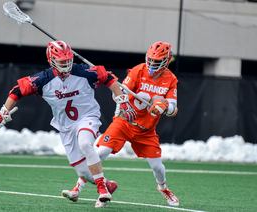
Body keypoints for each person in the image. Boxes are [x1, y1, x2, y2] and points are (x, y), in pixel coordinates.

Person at [0, 40, 137, 208]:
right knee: (83, 172)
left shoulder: (83, 71)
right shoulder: (43, 79)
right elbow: (17, 90)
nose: (66, 64)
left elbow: (108, 77)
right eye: (61, 61)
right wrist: (3, 111)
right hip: (65, 126)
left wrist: (121, 99)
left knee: (85, 144)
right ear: (51, 60)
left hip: (88, 116)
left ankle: (102, 190)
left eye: (68, 60)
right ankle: (108, 184)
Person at [63, 41, 179, 207]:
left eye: (157, 61)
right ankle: (77, 189)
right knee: (100, 153)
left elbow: (173, 109)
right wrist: (120, 95)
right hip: (125, 121)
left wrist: (165, 106)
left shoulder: (171, 80)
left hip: (146, 131)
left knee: (158, 167)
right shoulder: (138, 70)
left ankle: (163, 188)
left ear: (166, 61)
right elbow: (119, 93)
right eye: (151, 59)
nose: (152, 64)